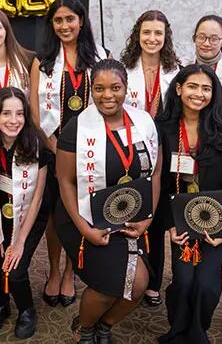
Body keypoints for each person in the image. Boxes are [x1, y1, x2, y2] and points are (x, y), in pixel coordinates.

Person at [55, 58, 162, 343]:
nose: (107, 95)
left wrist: (148, 216)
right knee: (108, 286)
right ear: (92, 90)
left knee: (138, 285)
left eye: (115, 87)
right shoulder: (77, 127)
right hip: (85, 216)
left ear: (126, 88)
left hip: (129, 216)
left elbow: (156, 171)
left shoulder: (143, 123)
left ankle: (104, 325)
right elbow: (64, 180)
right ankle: (86, 329)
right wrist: (84, 228)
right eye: (100, 89)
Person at [155, 64, 222, 343]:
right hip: (181, 219)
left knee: (206, 284)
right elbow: (159, 182)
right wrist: (170, 226)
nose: (199, 93)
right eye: (192, 86)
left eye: (206, 88)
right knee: (183, 282)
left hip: (219, 220)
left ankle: (198, 332)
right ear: (180, 89)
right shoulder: (163, 127)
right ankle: (178, 330)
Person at [28, 0, 105, 307]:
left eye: (69, 19)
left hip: (88, 151)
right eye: (58, 20)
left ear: (81, 21)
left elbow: (108, 105)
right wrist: (51, 144)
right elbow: (33, 109)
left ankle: (72, 272)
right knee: (54, 215)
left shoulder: (100, 59)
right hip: (51, 148)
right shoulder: (41, 61)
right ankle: (54, 270)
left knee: (80, 210)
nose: (64, 25)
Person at [0, 87, 51, 339]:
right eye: (6, 113)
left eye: (19, 113)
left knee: (16, 269)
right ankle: (1, 304)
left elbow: (38, 197)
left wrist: (19, 242)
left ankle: (27, 310)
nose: (13, 120)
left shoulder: (36, 143)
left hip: (31, 214)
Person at [119, 10, 181, 306]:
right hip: (129, 149)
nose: (152, 39)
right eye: (147, 33)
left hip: (165, 151)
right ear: (137, 35)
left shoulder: (178, 71)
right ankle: (126, 274)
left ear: (166, 35)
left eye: (158, 33)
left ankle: (153, 280)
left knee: (156, 217)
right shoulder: (123, 68)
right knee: (127, 211)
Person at [191, 15, 222, 81]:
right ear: (194, 38)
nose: (206, 44)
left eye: (214, 39)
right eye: (201, 37)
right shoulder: (181, 65)